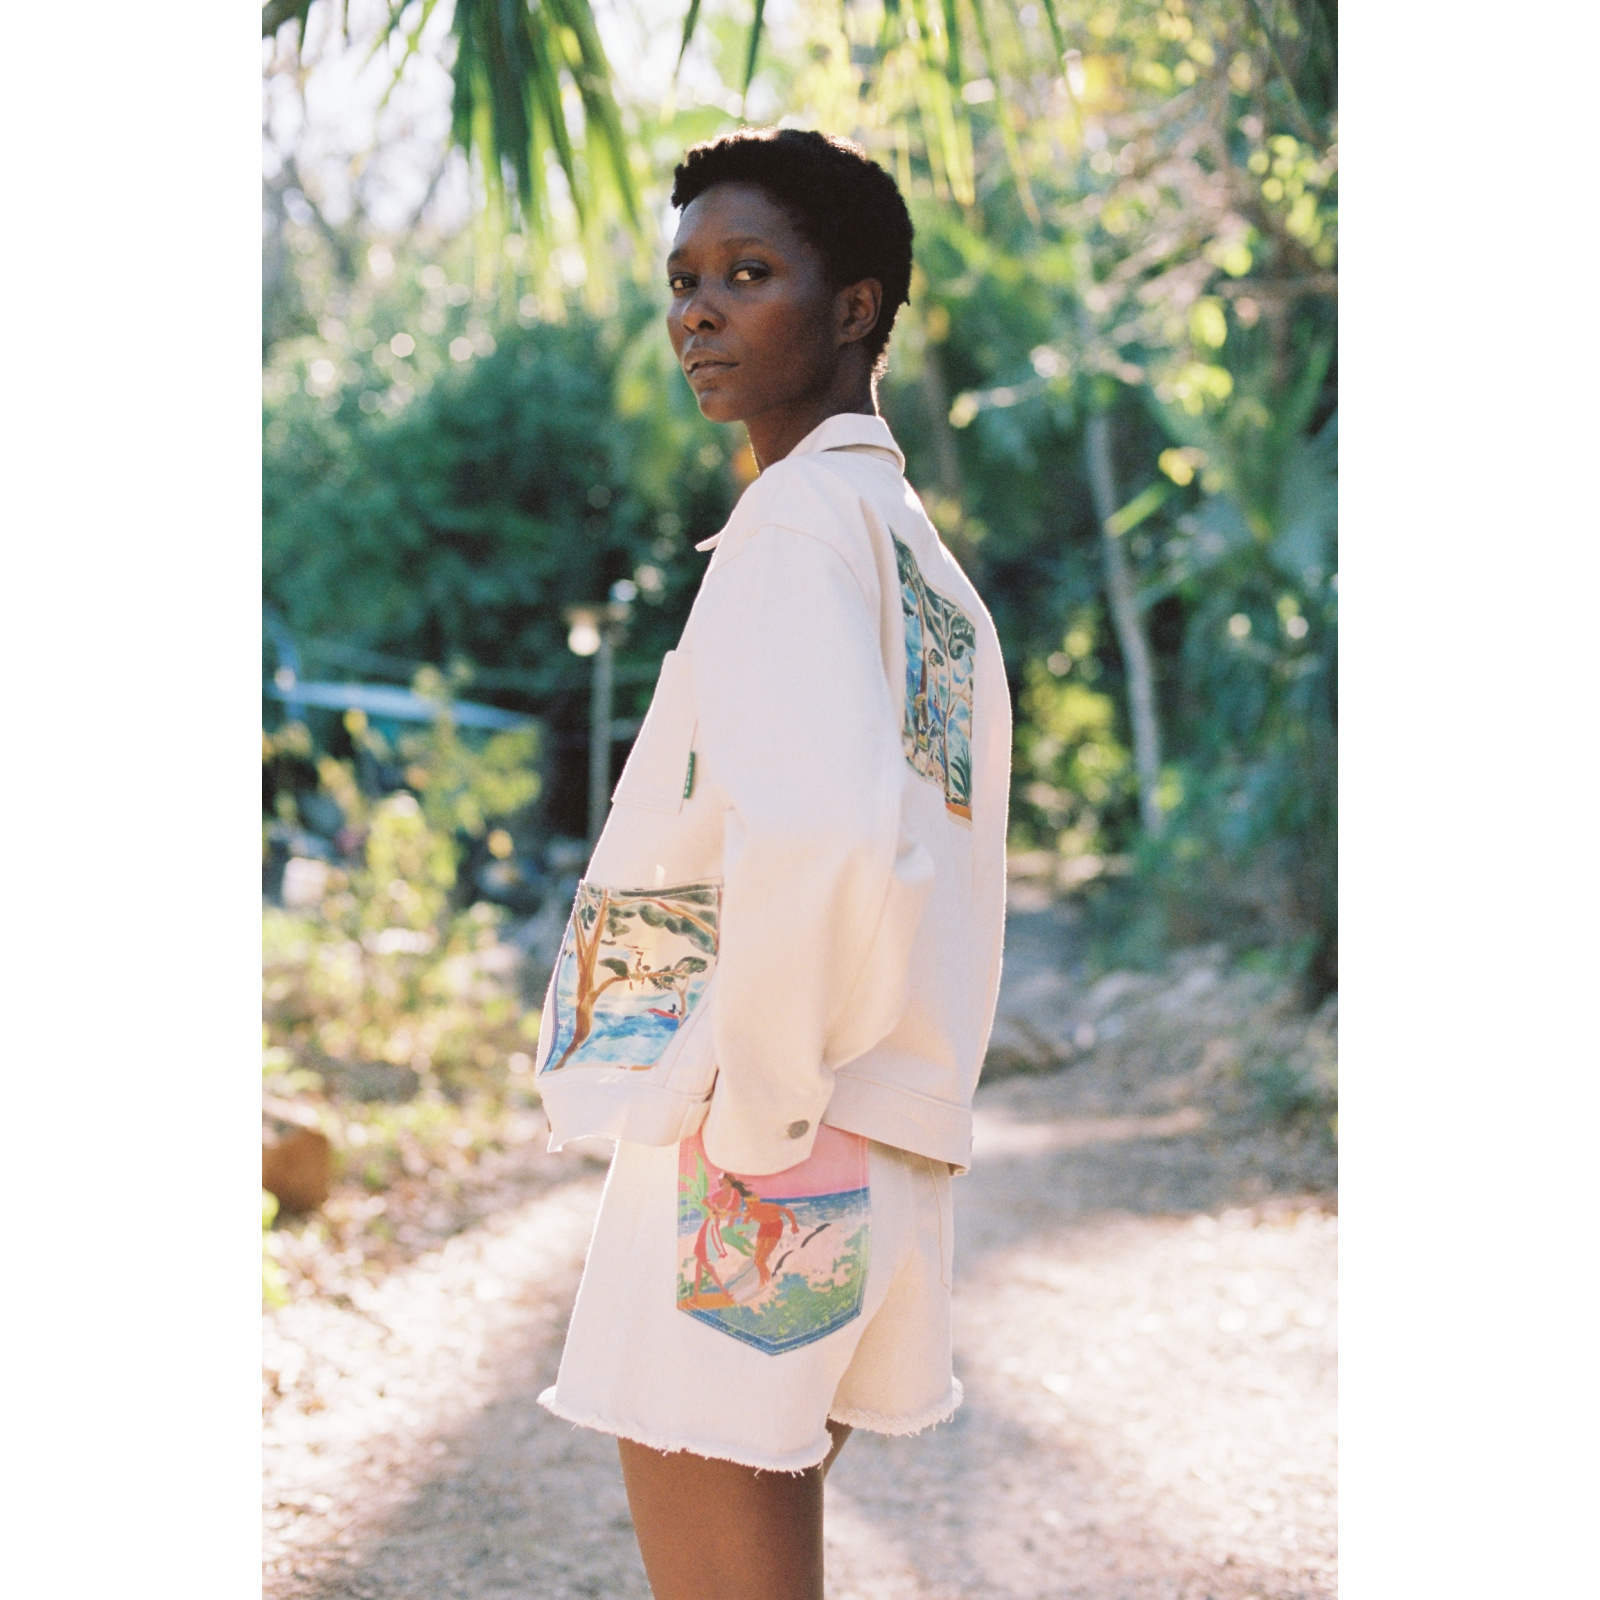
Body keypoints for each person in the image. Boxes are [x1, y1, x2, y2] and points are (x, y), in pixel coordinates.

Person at [533, 127, 1011, 1600]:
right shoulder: (923, 565)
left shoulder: (797, 521)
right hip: (878, 1130)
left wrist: (757, 1105)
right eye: (685, 280)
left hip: (773, 1132)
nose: (698, 311)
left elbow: (824, 829)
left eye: (748, 273)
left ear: (854, 306)